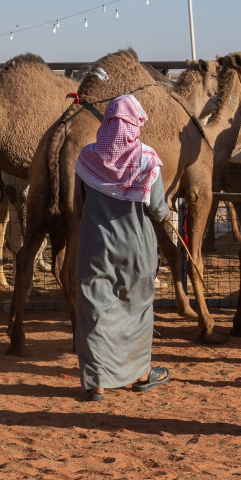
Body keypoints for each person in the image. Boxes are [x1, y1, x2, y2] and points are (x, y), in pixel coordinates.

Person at [73, 94, 175, 401]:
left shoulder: (87, 158)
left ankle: (95, 383)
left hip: (95, 245)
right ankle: (142, 374)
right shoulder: (147, 160)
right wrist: (168, 214)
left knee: (94, 311)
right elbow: (157, 209)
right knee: (137, 310)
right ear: (135, 124)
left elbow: (79, 205)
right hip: (137, 249)